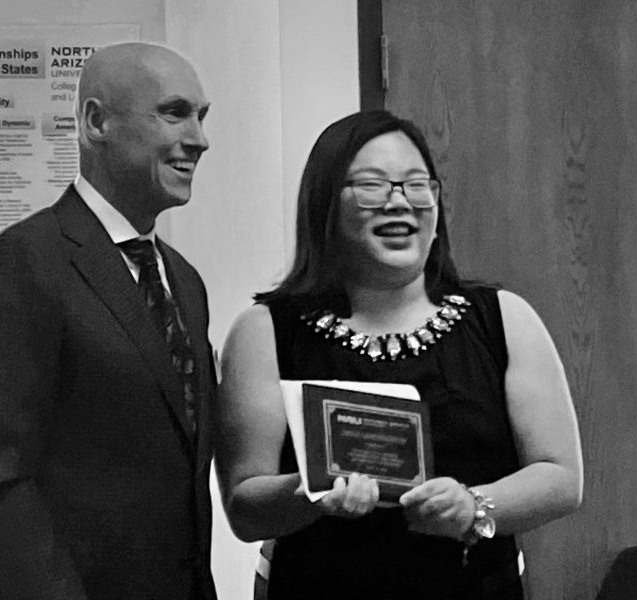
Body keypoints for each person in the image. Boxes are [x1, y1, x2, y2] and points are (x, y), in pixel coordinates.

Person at [215, 110, 583, 599]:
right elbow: (244, 506)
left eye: (415, 185)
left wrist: (473, 505)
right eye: (372, 186)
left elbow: (561, 478)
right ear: (326, 201)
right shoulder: (265, 331)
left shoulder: (503, 318)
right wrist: (309, 495)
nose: (400, 202)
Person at [0, 42, 217, 600]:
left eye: (201, 116)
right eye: (174, 112)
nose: (198, 138)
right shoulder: (22, 264)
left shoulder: (184, 283)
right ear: (97, 121)